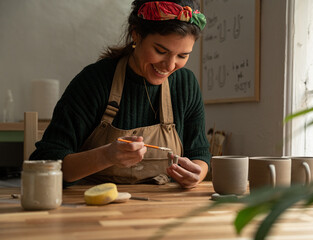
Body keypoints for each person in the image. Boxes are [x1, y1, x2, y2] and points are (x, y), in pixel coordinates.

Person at [30, 0, 210, 189]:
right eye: (160, 51)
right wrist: (106, 156)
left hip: (163, 207)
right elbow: (44, 162)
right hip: (91, 204)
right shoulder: (95, 81)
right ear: (136, 34)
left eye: (182, 56)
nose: (170, 66)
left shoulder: (185, 83)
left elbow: (199, 153)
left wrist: (197, 173)